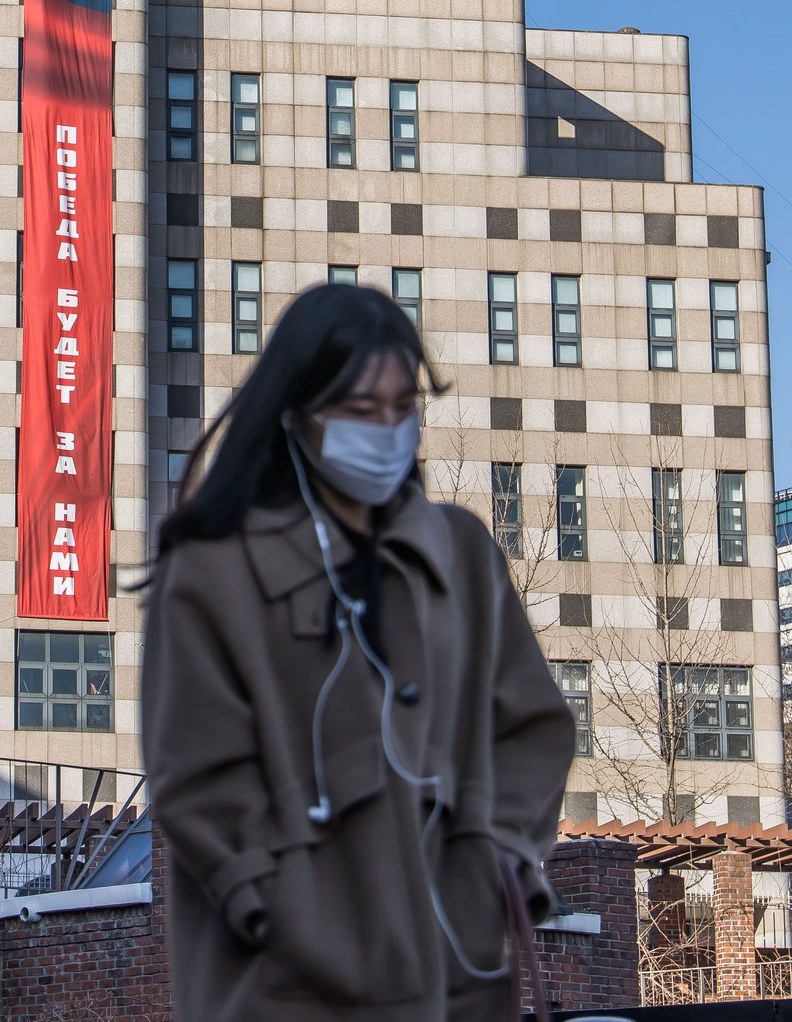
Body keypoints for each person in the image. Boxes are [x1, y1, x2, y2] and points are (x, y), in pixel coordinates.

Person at [142, 283, 575, 1022]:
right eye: (359, 410)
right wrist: (281, 907)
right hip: (280, 991)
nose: (385, 430)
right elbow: (194, 771)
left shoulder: (463, 554)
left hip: (458, 972)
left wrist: (495, 859)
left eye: (401, 409)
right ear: (297, 414)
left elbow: (531, 725)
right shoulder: (213, 568)